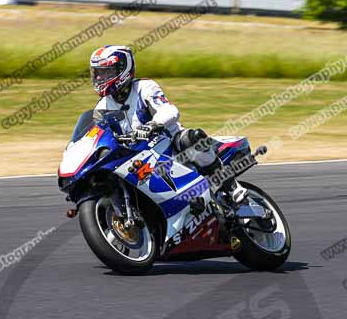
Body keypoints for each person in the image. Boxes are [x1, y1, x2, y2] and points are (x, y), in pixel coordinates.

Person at [89, 45, 248, 204]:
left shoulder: (144, 88)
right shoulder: (101, 108)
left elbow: (169, 110)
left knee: (193, 139)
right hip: (136, 155)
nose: (99, 78)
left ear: (123, 70)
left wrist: (153, 124)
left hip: (170, 143)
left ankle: (230, 186)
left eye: (106, 72)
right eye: (97, 73)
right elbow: (99, 135)